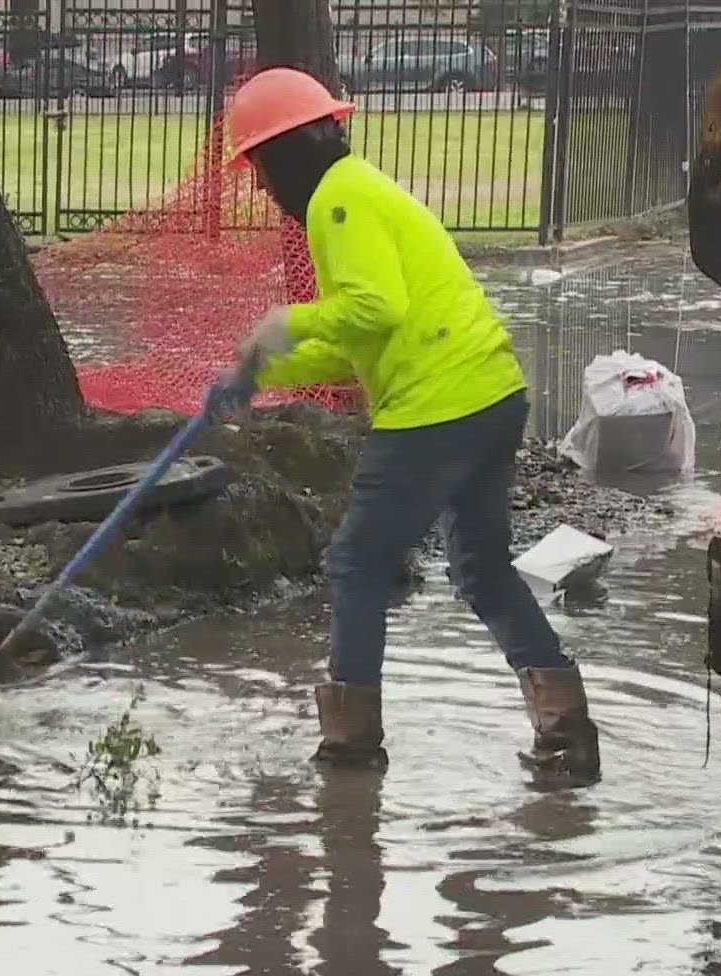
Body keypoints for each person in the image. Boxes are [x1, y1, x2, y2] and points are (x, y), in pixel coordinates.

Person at [209, 66, 599, 785]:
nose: (261, 186)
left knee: (357, 563)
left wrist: (282, 323)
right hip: (489, 396)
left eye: (259, 164)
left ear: (293, 149)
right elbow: (357, 339)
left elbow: (374, 306)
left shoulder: (338, 201)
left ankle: (351, 753)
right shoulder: (358, 190)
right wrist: (259, 371)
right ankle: (568, 733)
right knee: (481, 569)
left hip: (434, 410)